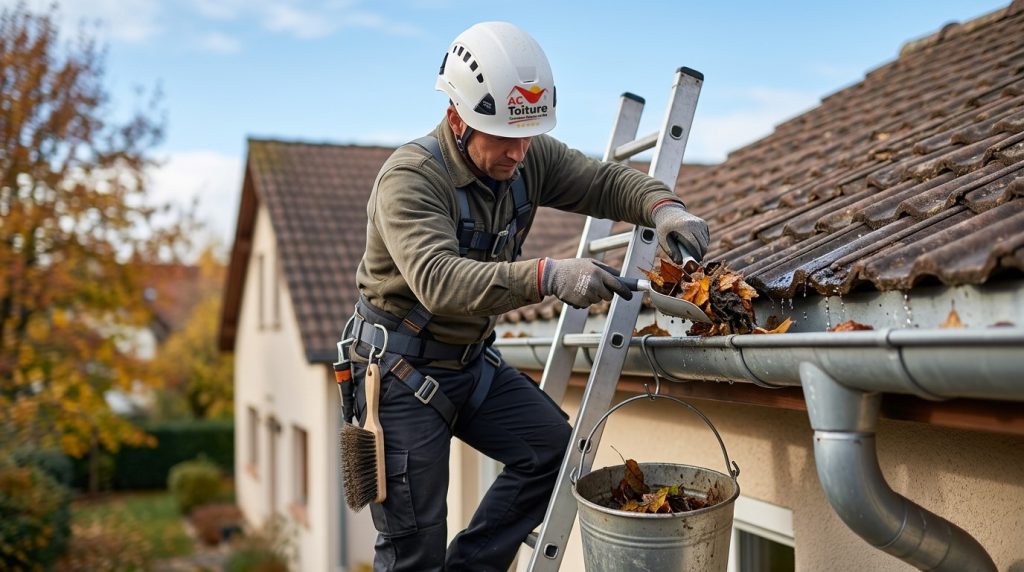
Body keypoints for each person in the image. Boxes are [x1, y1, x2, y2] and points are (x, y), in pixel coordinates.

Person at [348, 21, 710, 571]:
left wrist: (664, 208)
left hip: (470, 364)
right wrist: (547, 276)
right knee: (413, 549)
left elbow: (603, 182)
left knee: (552, 451)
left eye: (528, 135)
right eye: (504, 138)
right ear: (457, 119)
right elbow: (439, 281)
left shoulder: (527, 156)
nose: (520, 152)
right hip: (401, 374)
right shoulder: (410, 179)